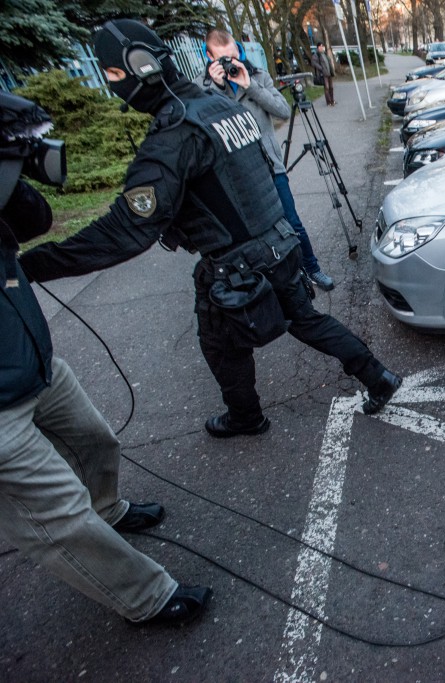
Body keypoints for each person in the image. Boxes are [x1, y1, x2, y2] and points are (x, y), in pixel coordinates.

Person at [18, 19, 402, 440]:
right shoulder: (221, 104)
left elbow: (125, 230)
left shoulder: (173, 136)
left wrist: (34, 264)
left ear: (142, 67)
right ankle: (377, 375)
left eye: (112, 75)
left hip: (239, 264)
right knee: (306, 320)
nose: (112, 84)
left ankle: (246, 417)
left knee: (220, 343)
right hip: (280, 242)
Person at [0, 91, 210, 625]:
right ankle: (147, 598)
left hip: (35, 366)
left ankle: (109, 509)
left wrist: (13, 169)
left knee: (97, 440)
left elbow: (35, 220)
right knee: (60, 521)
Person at [196, 28, 336, 291]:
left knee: (292, 223)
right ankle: (275, 284)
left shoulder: (258, 75)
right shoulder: (201, 87)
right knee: (251, 235)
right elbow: (203, 126)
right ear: (209, 57)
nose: (230, 63)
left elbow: (283, 110)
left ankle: (312, 268)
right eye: (222, 59)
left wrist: (250, 85)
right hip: (235, 178)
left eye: (233, 56)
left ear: (238, 51)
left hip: (270, 167)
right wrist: (214, 88)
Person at [311, 42, 336, 106]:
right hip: (323, 73)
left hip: (329, 72)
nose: (322, 47)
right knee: (326, 87)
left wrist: (332, 70)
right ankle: (328, 102)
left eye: (322, 46)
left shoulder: (324, 54)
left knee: (331, 87)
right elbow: (314, 63)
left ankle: (332, 100)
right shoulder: (316, 55)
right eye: (320, 46)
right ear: (318, 47)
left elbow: (329, 62)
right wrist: (321, 68)